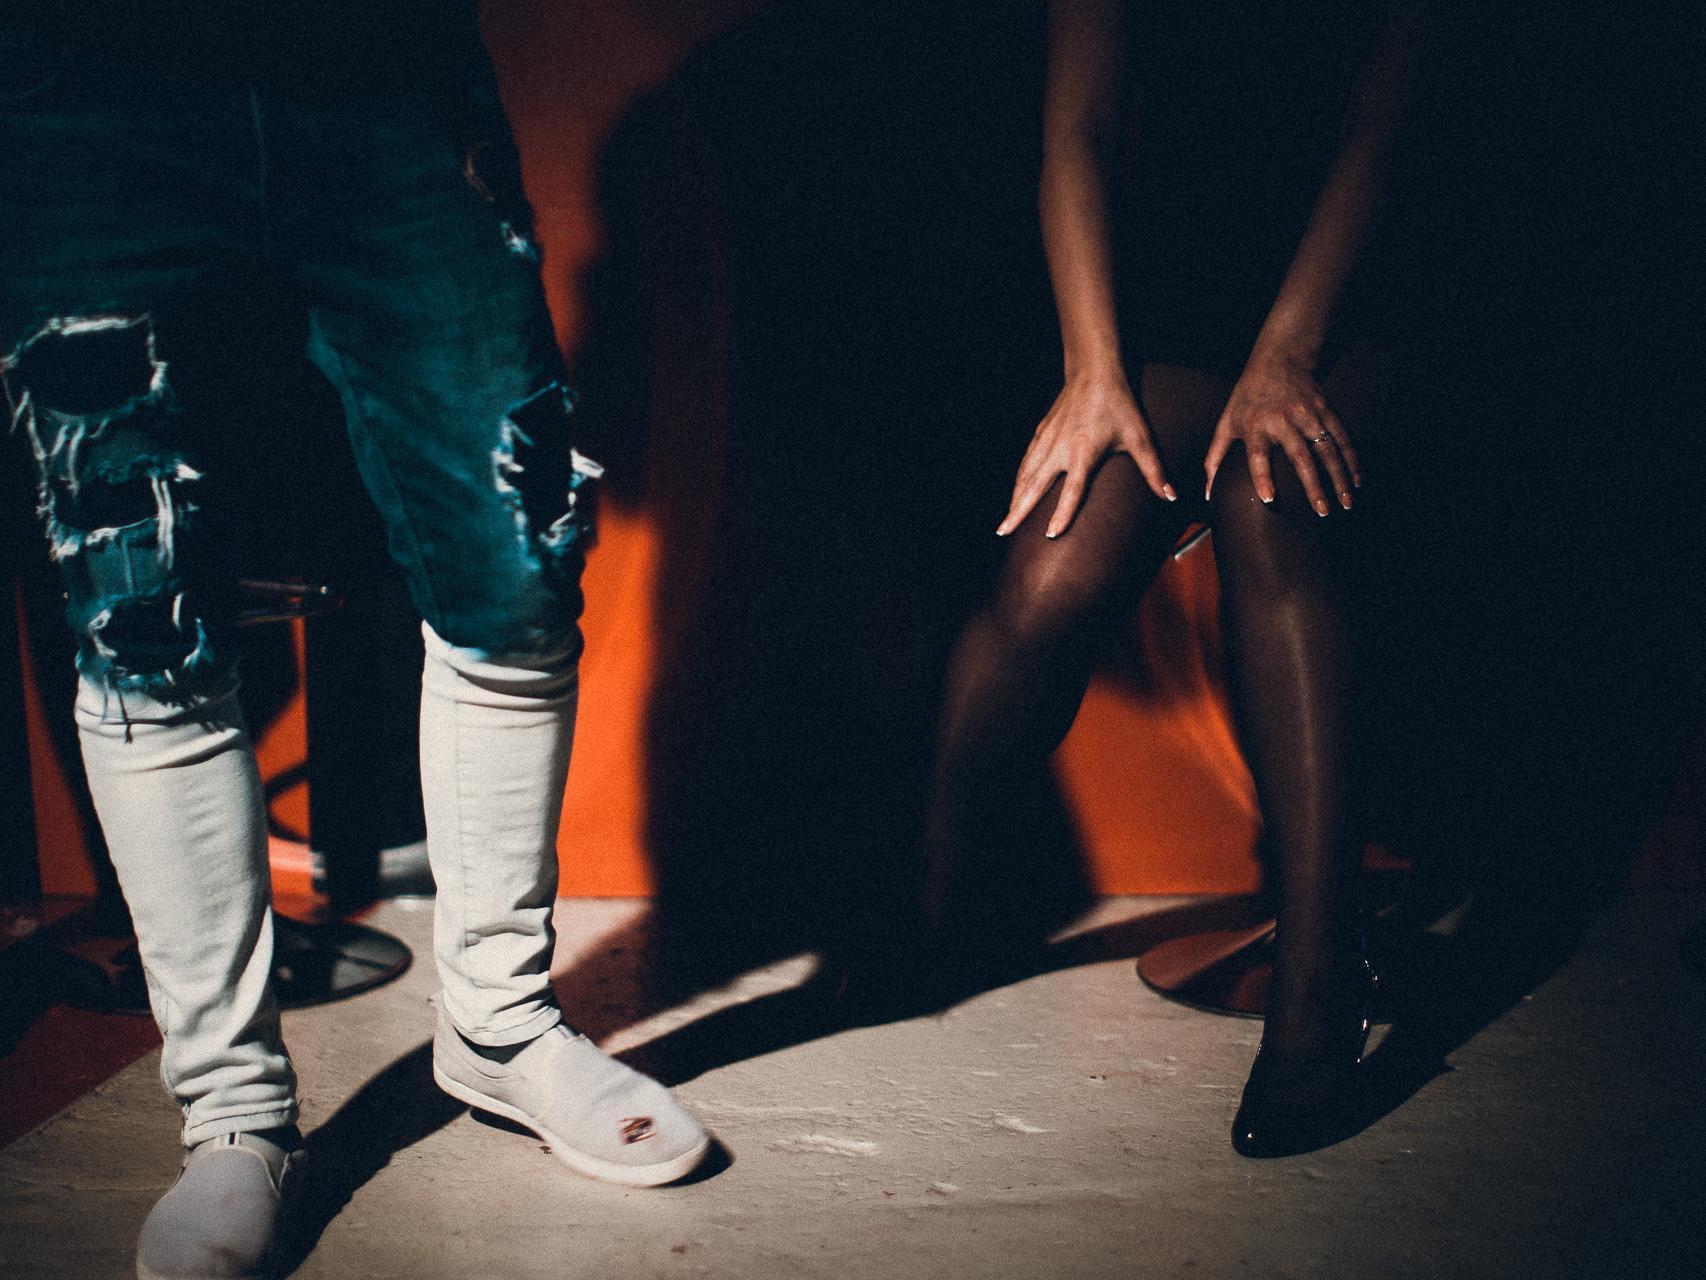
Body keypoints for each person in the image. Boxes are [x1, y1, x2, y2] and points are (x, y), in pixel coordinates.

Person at [0, 6, 708, 1276]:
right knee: (137, 606)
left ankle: (498, 1024)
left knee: (516, 552)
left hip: (384, 65)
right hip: (84, 76)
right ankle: (232, 1113)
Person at [922, 0, 1433, 1156]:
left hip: (1362, 297)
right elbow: (1078, 134)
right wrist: (1090, 370)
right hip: (1180, 296)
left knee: (1269, 488)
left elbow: (1381, 131)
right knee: (1057, 553)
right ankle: (926, 899)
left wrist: (1287, 355)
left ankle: (1315, 987)